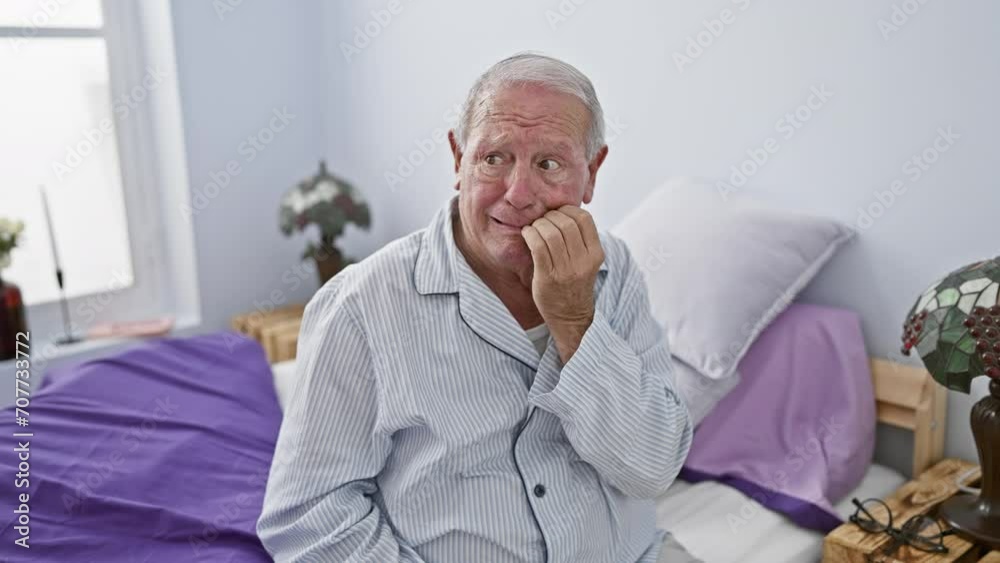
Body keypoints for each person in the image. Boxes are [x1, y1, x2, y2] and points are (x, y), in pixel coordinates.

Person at [257, 52, 696, 563]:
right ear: (458, 160)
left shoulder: (614, 269)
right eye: (494, 158)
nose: (518, 194)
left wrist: (576, 321)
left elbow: (652, 466)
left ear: (592, 173)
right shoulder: (359, 305)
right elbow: (308, 516)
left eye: (549, 164)